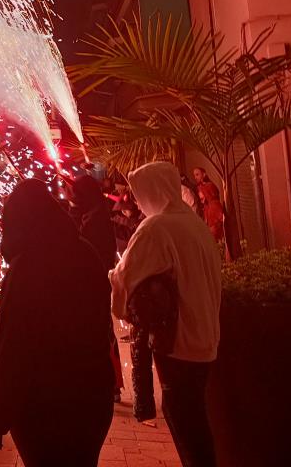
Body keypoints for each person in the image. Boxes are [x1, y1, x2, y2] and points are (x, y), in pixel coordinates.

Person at [0, 180, 114, 466]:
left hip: (45, 405)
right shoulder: (85, 252)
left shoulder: (26, 268)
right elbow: (104, 326)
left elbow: (11, 348)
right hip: (92, 398)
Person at [111, 161, 221, 467]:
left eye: (140, 194)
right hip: (206, 337)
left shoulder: (157, 227)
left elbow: (125, 275)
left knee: (184, 418)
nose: (138, 202)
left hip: (179, 341)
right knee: (195, 414)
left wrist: (119, 305)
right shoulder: (194, 223)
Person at [71, 175, 125, 404]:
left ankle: (110, 382)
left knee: (101, 332)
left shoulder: (96, 220)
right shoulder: (93, 214)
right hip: (92, 284)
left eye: (76, 193)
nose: (73, 198)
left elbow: (88, 248)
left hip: (94, 284)